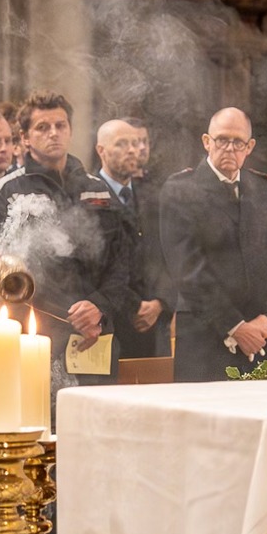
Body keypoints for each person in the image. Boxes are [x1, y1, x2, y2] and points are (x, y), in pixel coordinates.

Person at [0, 91, 135, 387]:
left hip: (96, 336)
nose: (53, 133)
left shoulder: (98, 190)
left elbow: (122, 265)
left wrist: (99, 307)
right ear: (25, 138)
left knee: (97, 428)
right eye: (42, 127)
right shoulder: (6, 192)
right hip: (36, 337)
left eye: (61, 125)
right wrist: (60, 317)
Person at [159, 106, 267, 381]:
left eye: (238, 142)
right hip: (206, 342)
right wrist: (236, 327)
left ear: (249, 146)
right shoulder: (181, 190)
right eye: (221, 140)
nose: (229, 148)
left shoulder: (265, 190)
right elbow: (188, 270)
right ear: (207, 142)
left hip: (264, 342)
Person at [95, 118, 167, 360]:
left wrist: (160, 302)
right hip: (110, 320)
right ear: (101, 151)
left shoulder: (152, 195)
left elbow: (167, 253)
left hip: (153, 320)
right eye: (121, 144)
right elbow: (96, 267)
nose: (132, 150)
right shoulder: (89, 194)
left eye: (135, 143)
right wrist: (133, 306)